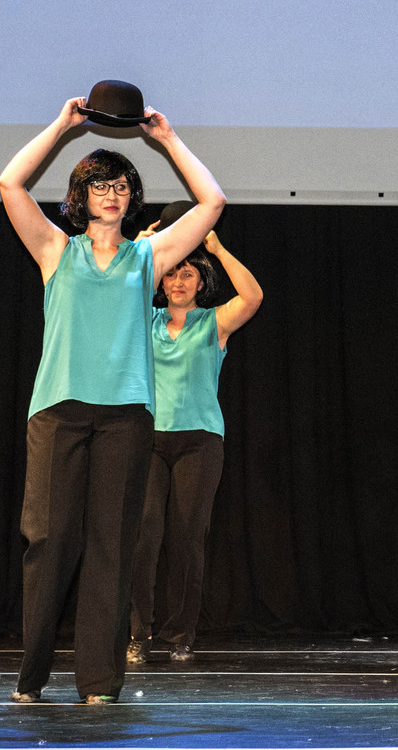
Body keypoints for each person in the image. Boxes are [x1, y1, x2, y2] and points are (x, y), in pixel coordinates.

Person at [0, 99, 224, 704]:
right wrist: (63, 126)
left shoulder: (148, 257)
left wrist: (168, 139)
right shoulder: (56, 249)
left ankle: (99, 681)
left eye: (122, 187)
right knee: (49, 541)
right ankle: (32, 676)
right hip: (59, 411)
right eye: (100, 185)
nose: (112, 195)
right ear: (81, 195)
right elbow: (10, 183)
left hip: (126, 416)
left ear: (131, 199)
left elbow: (212, 202)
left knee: (111, 547)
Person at [128, 229, 262, 665]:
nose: (179, 282)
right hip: (149, 441)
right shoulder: (144, 321)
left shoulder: (213, 322)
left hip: (200, 441)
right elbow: (120, 288)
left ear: (201, 281)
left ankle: (180, 634)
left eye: (188, 274)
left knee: (187, 539)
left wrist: (218, 249)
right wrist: (140, 248)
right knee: (143, 535)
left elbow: (253, 296)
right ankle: (139, 632)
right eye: (171, 274)